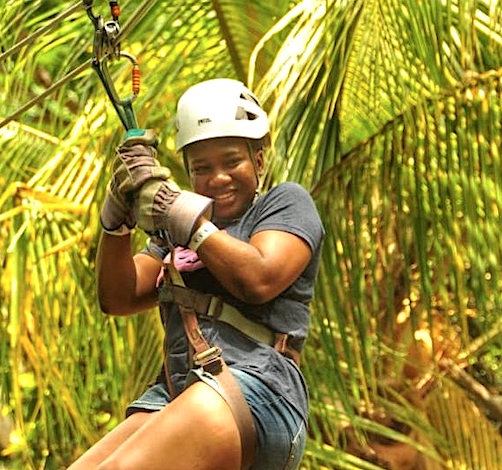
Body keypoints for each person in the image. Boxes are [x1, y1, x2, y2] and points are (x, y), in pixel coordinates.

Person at [67, 78, 324, 470]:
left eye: (232, 162)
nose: (218, 178)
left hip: (261, 389)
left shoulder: (284, 203)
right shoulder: (174, 237)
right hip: (179, 392)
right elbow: (118, 297)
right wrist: (117, 219)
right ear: (188, 171)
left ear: (258, 160)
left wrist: (184, 217)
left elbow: (260, 278)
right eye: (202, 168)